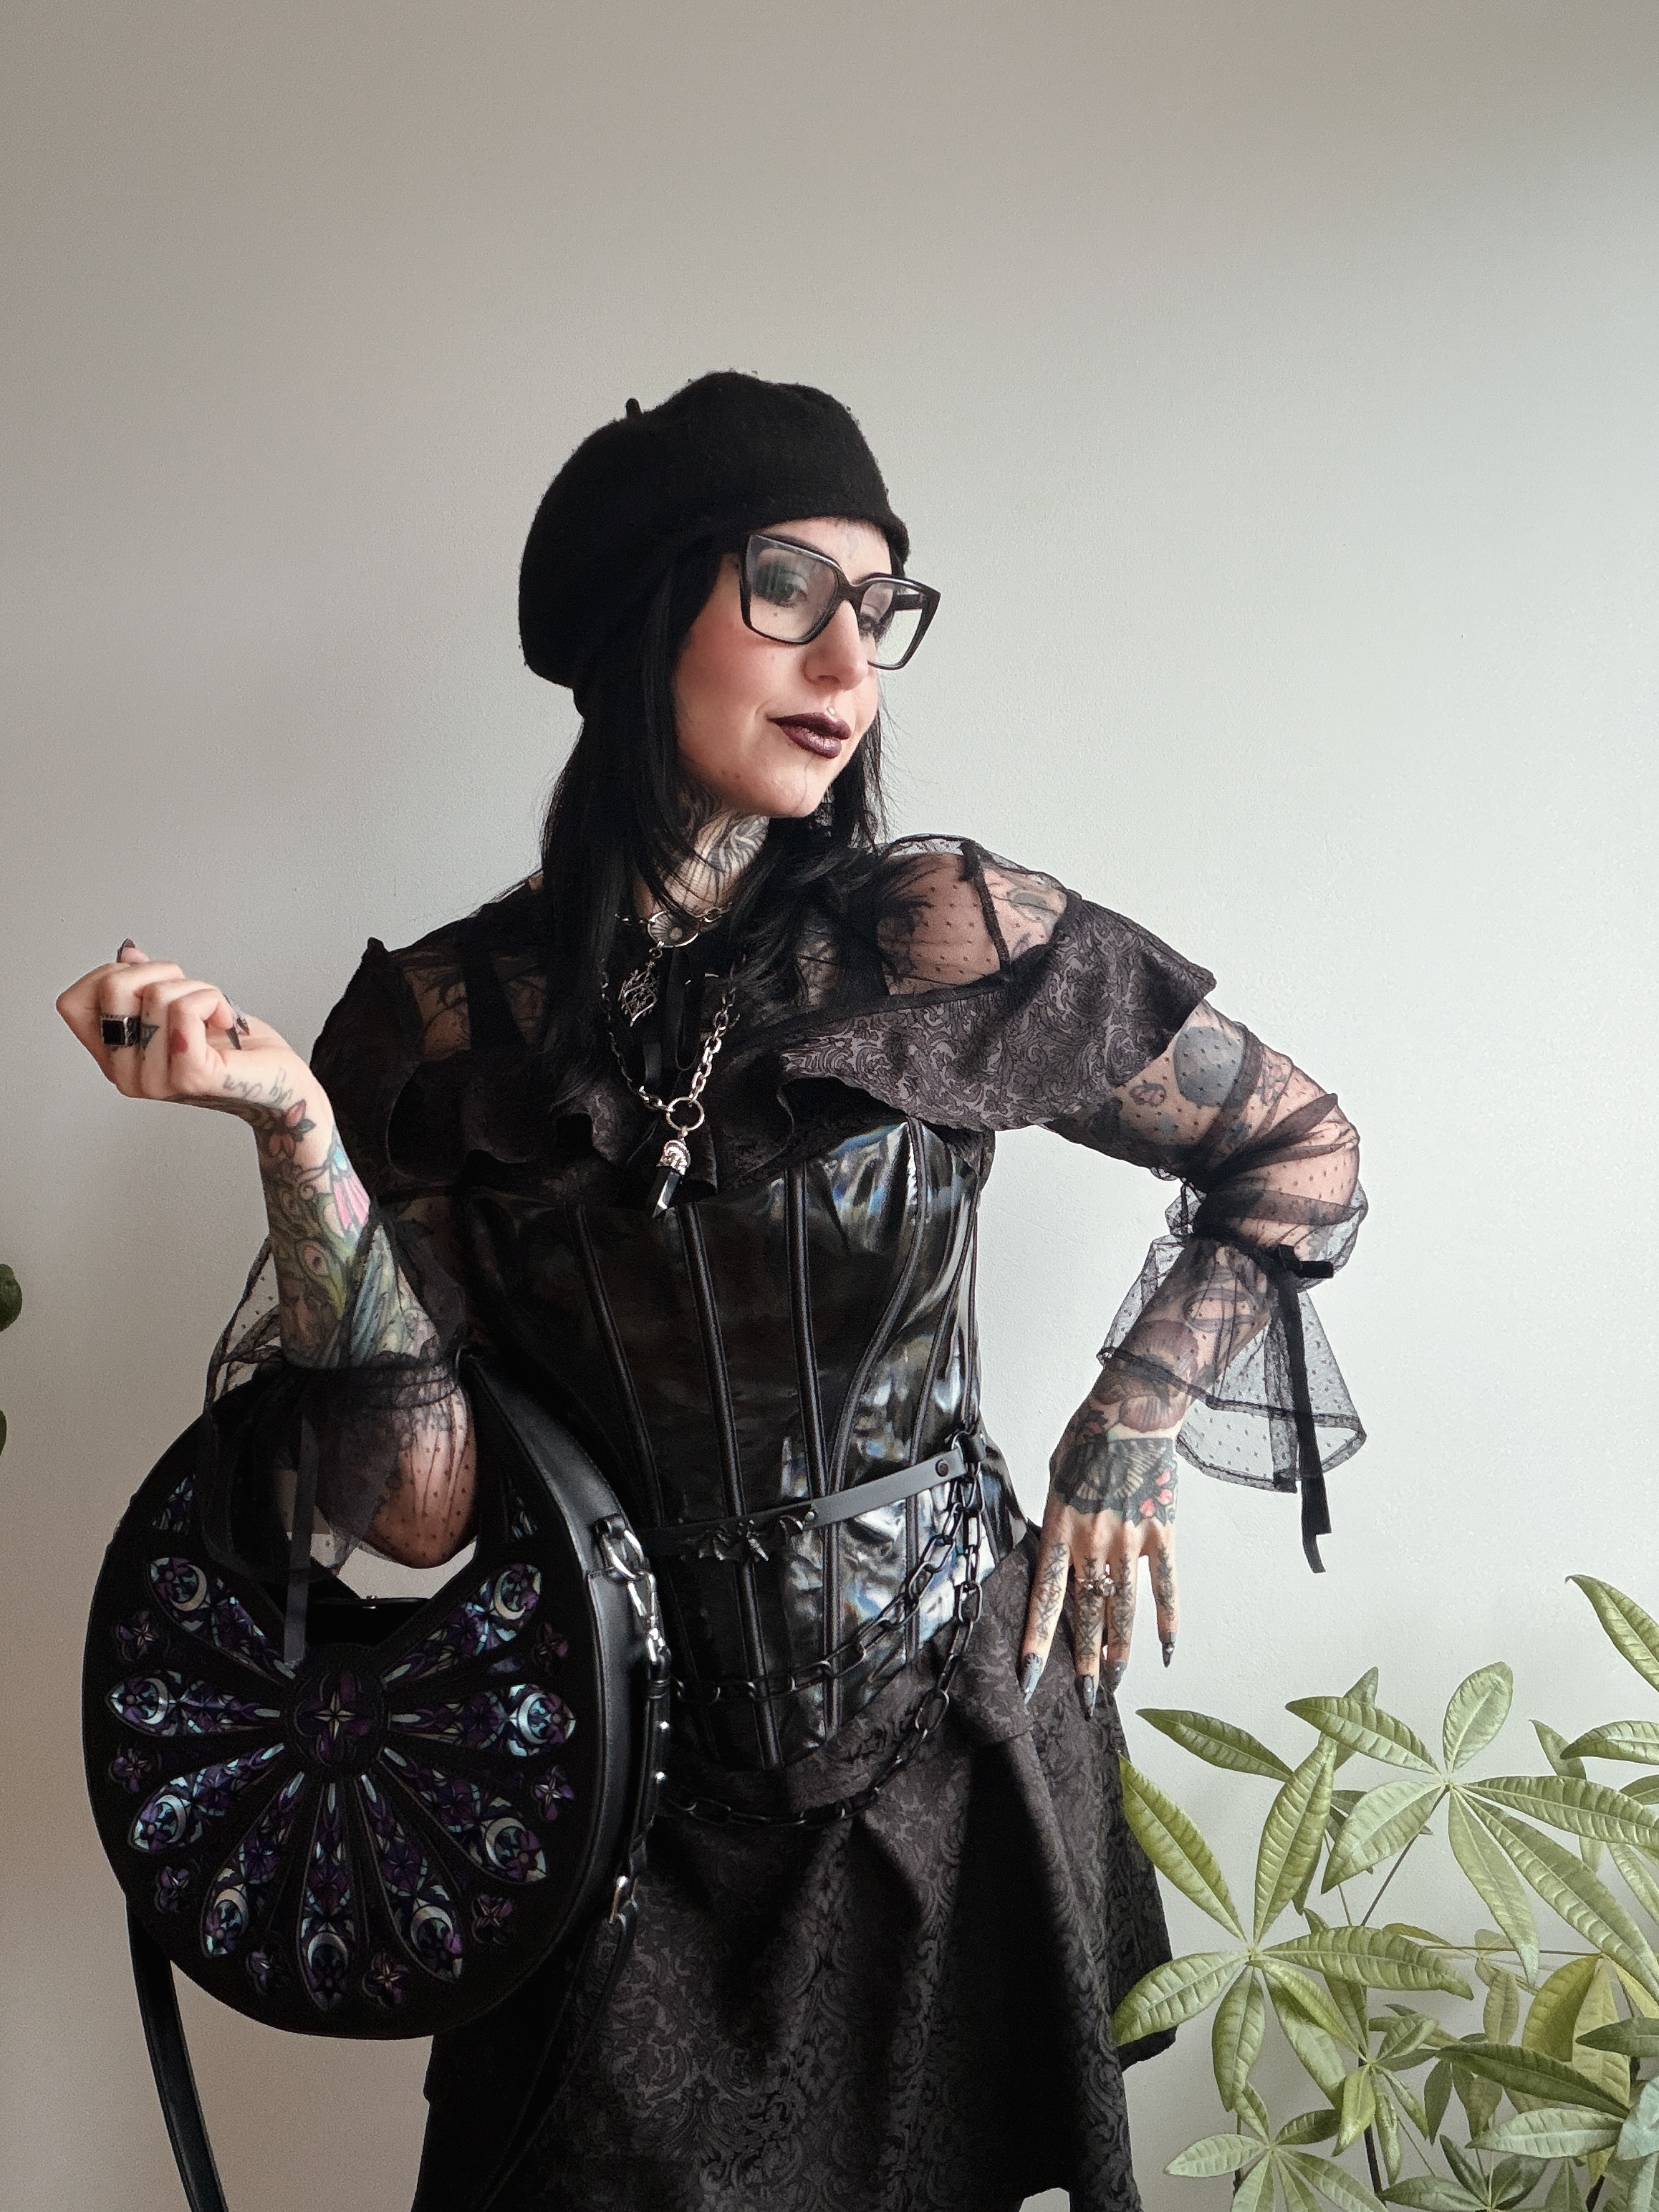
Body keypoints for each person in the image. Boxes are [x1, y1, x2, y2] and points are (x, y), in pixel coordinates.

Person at [58, 372, 1365, 2212]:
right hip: (623, 1800)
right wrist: (294, 1129)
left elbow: (1300, 1147)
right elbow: (420, 1506)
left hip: (944, 1762)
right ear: (641, 619)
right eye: (787, 587)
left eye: (879, 606)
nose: (848, 659)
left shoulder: (936, 937)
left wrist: (1124, 1427)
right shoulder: (443, 1027)